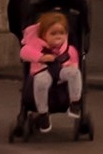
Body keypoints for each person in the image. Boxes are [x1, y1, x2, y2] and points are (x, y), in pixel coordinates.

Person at [17, 10, 92, 139]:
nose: (58, 37)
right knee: (41, 81)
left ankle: (75, 103)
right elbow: (24, 52)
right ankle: (43, 113)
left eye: (61, 33)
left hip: (61, 75)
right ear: (43, 35)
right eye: (53, 33)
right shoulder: (36, 46)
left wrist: (70, 66)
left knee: (74, 73)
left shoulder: (68, 49)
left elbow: (74, 62)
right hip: (42, 72)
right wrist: (41, 57)